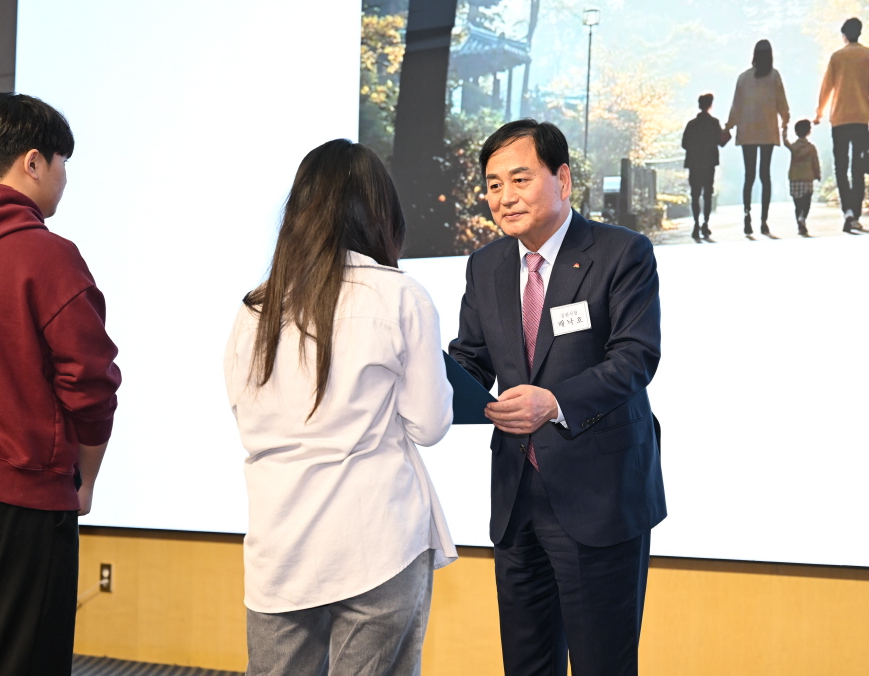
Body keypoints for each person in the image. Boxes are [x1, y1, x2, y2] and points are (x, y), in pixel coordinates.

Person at [225, 139, 456, 676]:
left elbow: (243, 412)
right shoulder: (400, 296)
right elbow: (429, 424)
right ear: (380, 212)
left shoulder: (256, 308)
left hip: (281, 542)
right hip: (377, 537)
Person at [449, 119, 665, 676]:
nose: (504, 196)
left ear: (562, 180)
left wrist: (553, 402)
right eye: (493, 184)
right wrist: (434, 382)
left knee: (602, 665)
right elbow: (472, 356)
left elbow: (635, 357)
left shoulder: (622, 253)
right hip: (517, 497)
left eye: (520, 179)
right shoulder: (485, 266)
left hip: (599, 496)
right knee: (526, 664)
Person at [0, 93, 121, 674]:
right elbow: (90, 383)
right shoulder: (48, 256)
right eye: (63, 163)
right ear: (33, 162)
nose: (65, 179)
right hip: (21, 496)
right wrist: (86, 478)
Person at [814, 17, 869, 233]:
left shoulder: (837, 57)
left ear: (844, 35)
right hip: (861, 117)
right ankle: (856, 213)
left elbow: (827, 87)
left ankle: (848, 212)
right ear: (859, 33)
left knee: (841, 167)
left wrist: (819, 112)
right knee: (858, 167)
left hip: (840, 119)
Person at [724, 39, 791, 236]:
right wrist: (785, 121)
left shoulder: (744, 78)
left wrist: (728, 127)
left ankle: (747, 216)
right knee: (765, 175)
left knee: (749, 175)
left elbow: (736, 106)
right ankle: (764, 220)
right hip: (768, 131)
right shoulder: (774, 76)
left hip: (747, 131)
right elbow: (782, 102)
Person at [681, 93, 723, 241]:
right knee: (707, 194)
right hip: (709, 162)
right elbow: (721, 142)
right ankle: (705, 223)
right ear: (710, 105)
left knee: (695, 194)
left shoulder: (691, 124)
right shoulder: (714, 123)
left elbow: (684, 144)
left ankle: (696, 223)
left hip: (694, 162)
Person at [786, 119, 822, 236]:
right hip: (807, 177)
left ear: (795, 132)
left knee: (797, 203)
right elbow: (815, 162)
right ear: (809, 131)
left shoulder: (793, 147)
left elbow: (785, 142)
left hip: (795, 177)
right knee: (806, 201)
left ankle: (799, 222)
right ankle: (803, 218)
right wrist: (817, 174)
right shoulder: (811, 148)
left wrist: (783, 130)